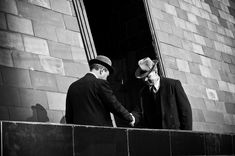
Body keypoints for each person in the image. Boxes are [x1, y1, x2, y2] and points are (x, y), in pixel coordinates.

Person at [65, 55, 135, 127]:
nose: (106, 79)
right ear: (102, 71)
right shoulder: (100, 84)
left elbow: (69, 116)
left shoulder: (73, 86)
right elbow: (114, 104)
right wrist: (129, 117)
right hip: (100, 133)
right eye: (107, 76)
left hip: (78, 134)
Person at [131, 57, 192, 130]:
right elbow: (138, 112)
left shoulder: (173, 85)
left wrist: (186, 135)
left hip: (174, 134)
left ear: (156, 71)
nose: (146, 80)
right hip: (156, 136)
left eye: (148, 76)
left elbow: (185, 111)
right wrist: (132, 117)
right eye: (143, 78)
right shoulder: (143, 92)